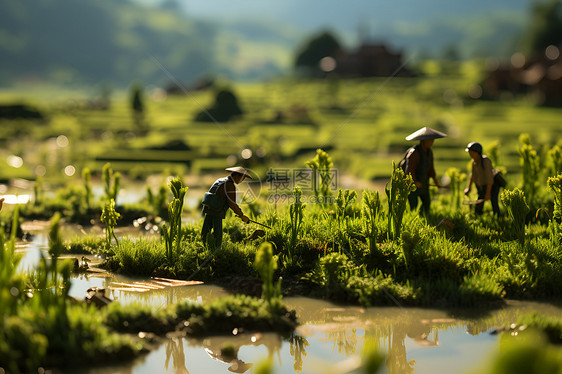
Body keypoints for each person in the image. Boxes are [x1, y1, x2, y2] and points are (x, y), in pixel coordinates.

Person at [201, 166, 251, 248]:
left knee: (205, 231)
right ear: (237, 176)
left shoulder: (220, 180)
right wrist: (241, 215)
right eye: (242, 179)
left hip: (209, 208)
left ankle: (204, 247)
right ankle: (216, 251)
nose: (242, 181)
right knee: (218, 233)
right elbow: (232, 203)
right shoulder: (230, 185)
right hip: (217, 211)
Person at [404, 127, 447, 215]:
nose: (432, 142)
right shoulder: (414, 153)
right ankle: (415, 220)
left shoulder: (429, 153)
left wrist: (436, 181)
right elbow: (409, 170)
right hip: (412, 186)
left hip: (424, 183)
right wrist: (415, 182)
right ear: (423, 141)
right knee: (414, 206)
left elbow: (431, 168)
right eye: (430, 140)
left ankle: (424, 218)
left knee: (427, 204)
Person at [464, 142, 501, 216]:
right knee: (479, 202)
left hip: (492, 186)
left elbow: (489, 179)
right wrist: (469, 188)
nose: (470, 154)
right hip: (482, 186)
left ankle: (498, 218)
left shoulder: (486, 161)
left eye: (471, 152)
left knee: (494, 201)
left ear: (476, 153)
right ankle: (477, 216)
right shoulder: (474, 163)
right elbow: (473, 176)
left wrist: (488, 193)